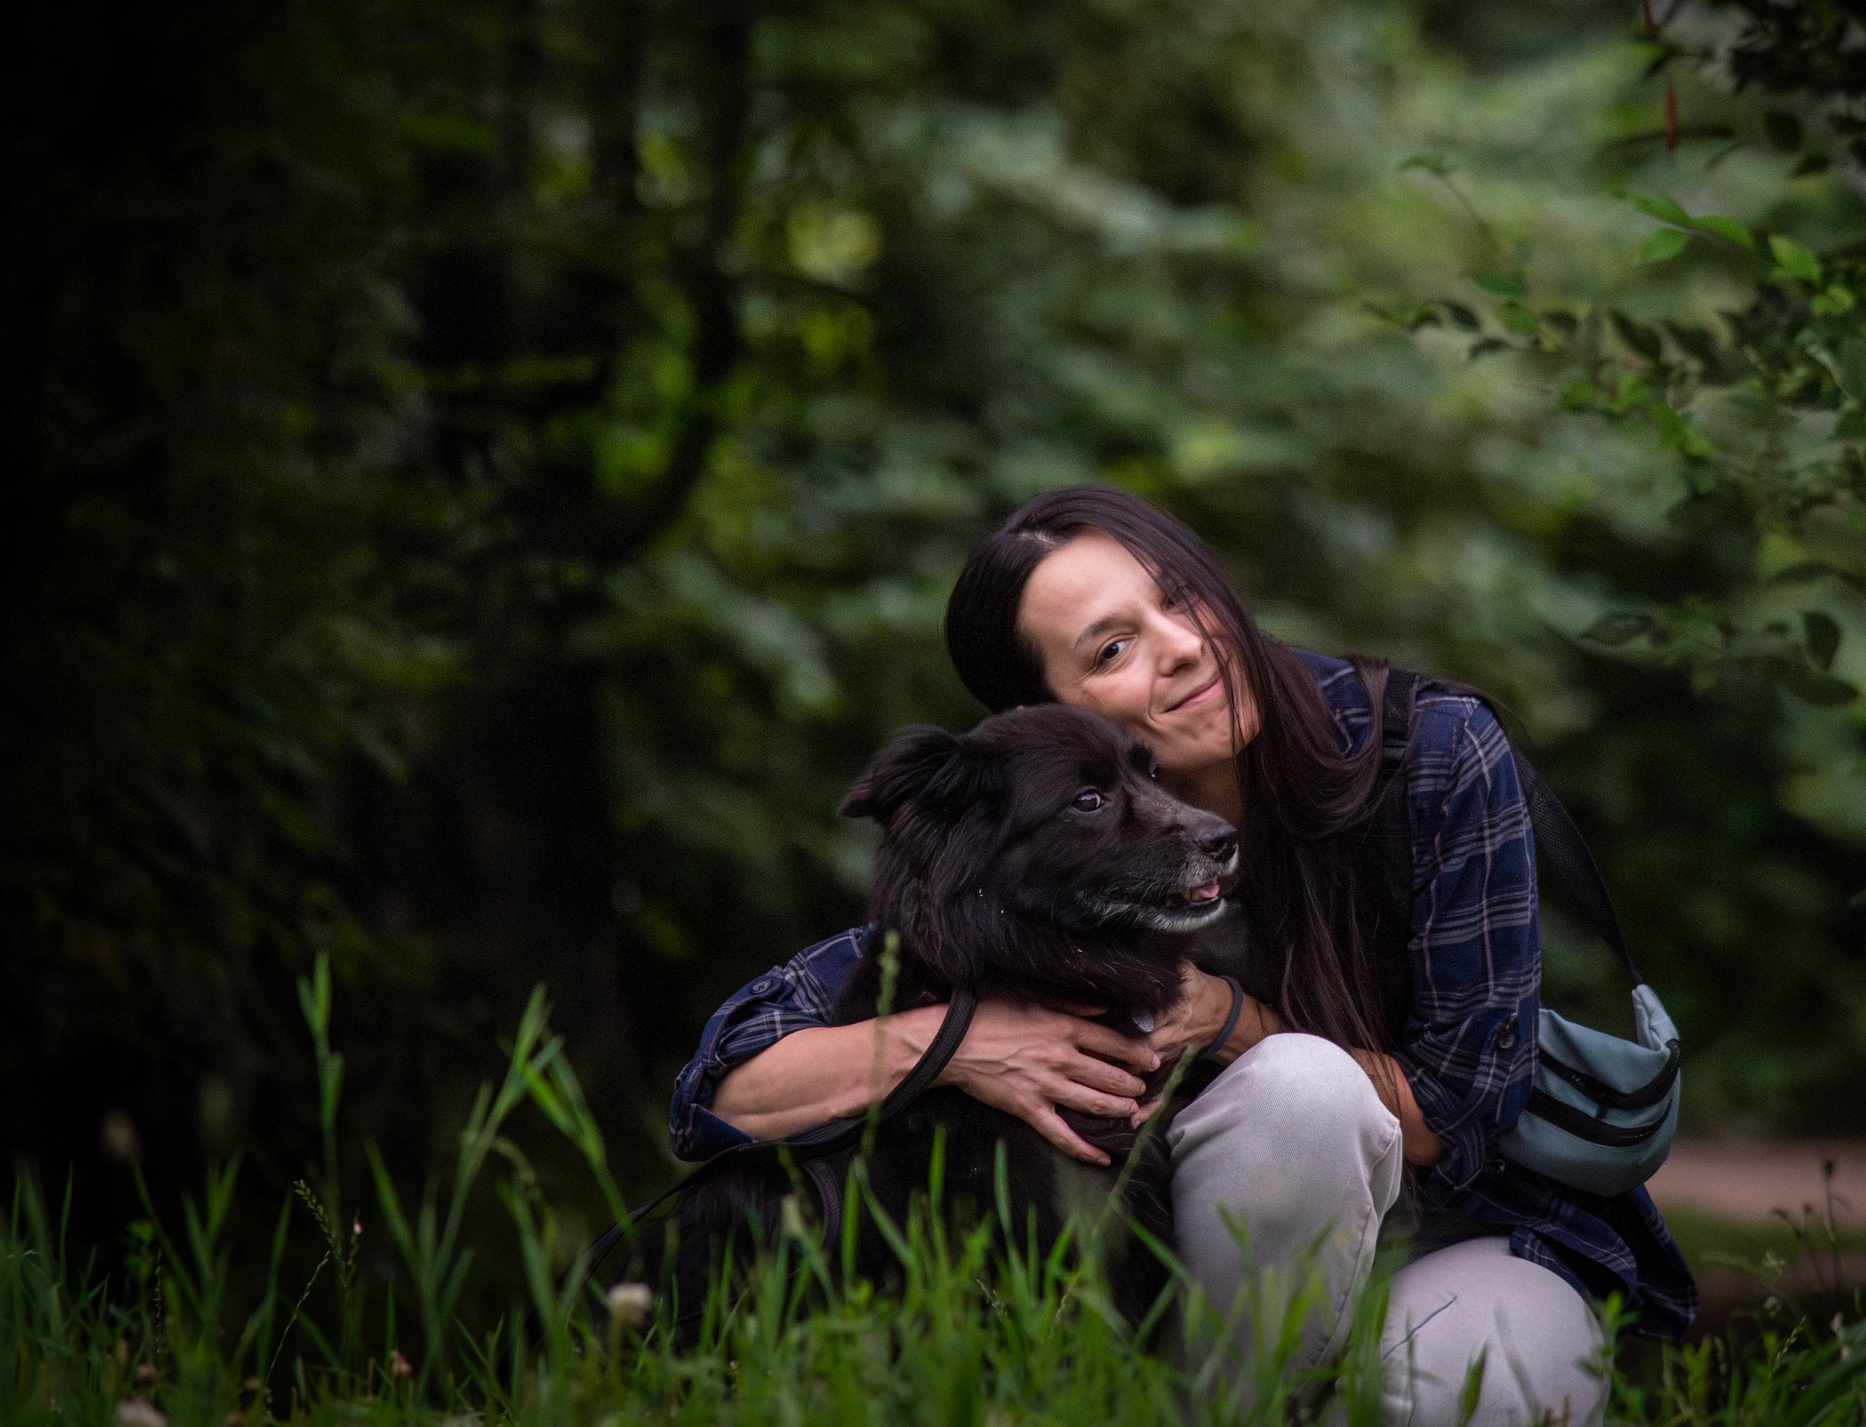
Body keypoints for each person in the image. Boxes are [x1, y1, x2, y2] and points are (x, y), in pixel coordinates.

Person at [669, 487, 1695, 1423]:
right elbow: (722, 1084)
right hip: (1206, 1300)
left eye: (1181, 599)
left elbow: (1460, 1116)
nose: (1183, 648)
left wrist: (1232, 1018)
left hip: (1458, 1236)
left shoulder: (1427, 755)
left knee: (1483, 1382)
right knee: (1294, 1100)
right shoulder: (1045, 853)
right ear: (1044, 716)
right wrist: (956, 1039)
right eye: (1111, 649)